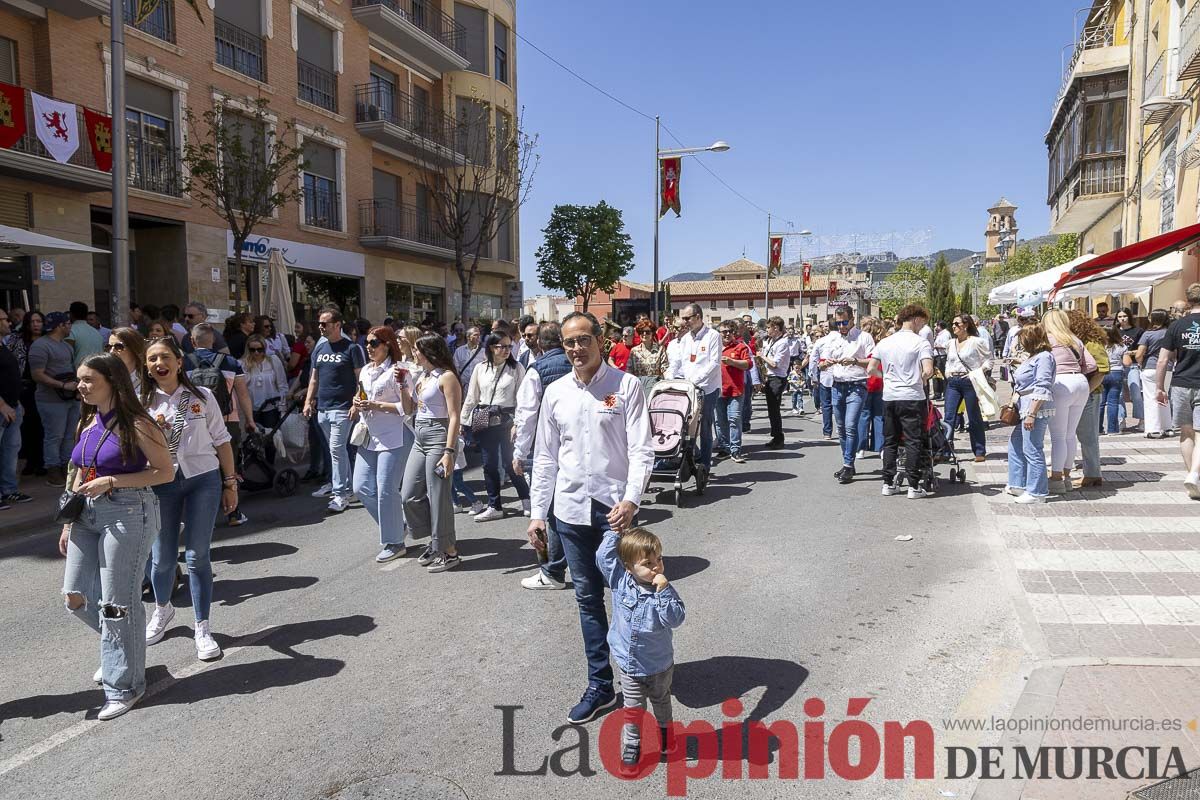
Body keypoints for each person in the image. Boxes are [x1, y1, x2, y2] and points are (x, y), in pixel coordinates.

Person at [527, 311, 654, 725]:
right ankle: (600, 685)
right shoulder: (556, 392)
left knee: (626, 598)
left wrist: (632, 501)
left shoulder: (626, 386)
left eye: (584, 340)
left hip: (615, 513)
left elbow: (641, 451)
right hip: (569, 511)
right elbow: (544, 457)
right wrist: (536, 514)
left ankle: (636, 677)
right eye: (569, 343)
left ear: (600, 340)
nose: (577, 348)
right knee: (587, 600)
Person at [60, 352, 173, 720]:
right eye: (79, 379)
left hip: (127, 511)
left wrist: (113, 480)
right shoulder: (88, 421)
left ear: (113, 382)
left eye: (89, 379)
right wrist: (67, 522)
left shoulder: (138, 423)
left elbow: (164, 472)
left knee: (116, 603)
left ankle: (125, 684)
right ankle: (123, 647)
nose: (81, 386)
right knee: (75, 596)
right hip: (86, 514)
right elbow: (79, 470)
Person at [141, 336, 238, 662]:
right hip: (162, 485)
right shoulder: (142, 403)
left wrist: (230, 484)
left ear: (179, 362)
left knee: (197, 558)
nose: (159, 364)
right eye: (152, 359)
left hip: (202, 481)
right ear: (147, 366)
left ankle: (202, 627)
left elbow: (222, 441)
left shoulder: (202, 396)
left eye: (165, 357)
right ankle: (162, 610)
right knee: (163, 559)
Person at [598, 527, 686, 771]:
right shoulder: (620, 581)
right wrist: (615, 532)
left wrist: (664, 591)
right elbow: (603, 556)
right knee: (633, 709)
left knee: (662, 702)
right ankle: (632, 744)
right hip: (629, 665)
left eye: (659, 559)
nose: (656, 567)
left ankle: (667, 736)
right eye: (648, 563)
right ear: (629, 567)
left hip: (658, 665)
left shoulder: (664, 591)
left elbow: (676, 619)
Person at [512, 322, 570, 590]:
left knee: (547, 511)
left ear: (541, 344)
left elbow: (526, 416)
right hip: (576, 447)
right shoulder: (579, 364)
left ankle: (552, 571)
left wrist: (519, 453)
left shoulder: (536, 370)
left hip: (545, 448)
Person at [400, 334, 463, 573]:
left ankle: (448, 551)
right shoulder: (423, 376)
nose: (413, 353)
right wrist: (403, 387)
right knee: (409, 495)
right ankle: (436, 541)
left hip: (439, 435)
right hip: (420, 436)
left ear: (428, 351)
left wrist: (449, 451)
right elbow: (408, 409)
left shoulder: (447, 377)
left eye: (416, 350)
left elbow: (454, 416)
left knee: (438, 496)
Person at [352, 326, 414, 562]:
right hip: (370, 436)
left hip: (395, 436)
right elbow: (361, 394)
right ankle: (398, 527)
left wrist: (376, 406)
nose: (368, 347)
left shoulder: (399, 372)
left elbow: (408, 408)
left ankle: (395, 542)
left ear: (387, 344)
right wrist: (356, 402)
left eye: (374, 342)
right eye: (366, 342)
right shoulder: (366, 371)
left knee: (386, 491)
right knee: (361, 488)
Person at [189, 323, 256, 525]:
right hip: (228, 420)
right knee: (229, 466)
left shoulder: (183, 362)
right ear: (214, 341)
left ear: (193, 341)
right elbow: (243, 394)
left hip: (195, 421)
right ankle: (233, 513)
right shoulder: (230, 362)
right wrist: (250, 420)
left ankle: (199, 515)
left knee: (198, 468)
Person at [304, 308, 366, 513]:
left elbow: (361, 380)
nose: (321, 327)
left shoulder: (352, 348)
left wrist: (356, 404)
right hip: (323, 407)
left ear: (338, 324)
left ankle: (339, 494)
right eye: (319, 323)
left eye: (325, 323)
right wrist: (308, 401)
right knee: (337, 451)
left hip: (343, 408)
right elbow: (314, 378)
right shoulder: (320, 349)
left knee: (336, 450)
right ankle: (348, 489)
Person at [462, 331, 529, 521]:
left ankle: (526, 499)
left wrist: (518, 422)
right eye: (502, 346)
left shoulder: (516, 368)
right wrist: (463, 421)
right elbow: (472, 397)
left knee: (511, 462)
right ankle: (494, 506)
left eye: (509, 346)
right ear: (492, 348)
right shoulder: (480, 368)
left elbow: (522, 399)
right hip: (485, 419)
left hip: (507, 420)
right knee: (489, 465)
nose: (507, 350)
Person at [870, 304, 934, 498]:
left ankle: (888, 482)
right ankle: (913, 485)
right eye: (923, 322)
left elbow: (871, 369)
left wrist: (888, 378)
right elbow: (928, 370)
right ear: (916, 319)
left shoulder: (885, 342)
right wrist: (920, 378)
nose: (923, 326)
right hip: (912, 396)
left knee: (890, 441)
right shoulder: (920, 342)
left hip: (890, 396)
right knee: (913, 441)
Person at [1043, 309, 1097, 495]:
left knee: (1058, 436)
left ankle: (1056, 478)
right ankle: (1066, 476)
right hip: (1080, 383)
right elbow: (1091, 366)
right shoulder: (1075, 340)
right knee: (1069, 434)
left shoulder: (1048, 340)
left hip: (1060, 383)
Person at [1154, 283, 1200, 499]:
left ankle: (1193, 478)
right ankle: (1194, 475)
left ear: (1188, 300)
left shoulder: (1177, 326)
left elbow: (1162, 360)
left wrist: (1159, 387)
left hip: (1180, 383)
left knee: (1186, 432)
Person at [822, 308, 874, 484]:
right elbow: (822, 362)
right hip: (837, 385)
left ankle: (848, 464)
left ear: (852, 320)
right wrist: (825, 364)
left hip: (857, 385)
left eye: (844, 322)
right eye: (838, 323)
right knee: (842, 427)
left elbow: (873, 361)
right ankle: (848, 463)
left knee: (851, 425)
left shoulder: (864, 337)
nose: (841, 326)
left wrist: (855, 361)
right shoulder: (833, 338)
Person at [29, 311, 80, 487]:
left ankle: (67, 468)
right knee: (54, 436)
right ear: (60, 326)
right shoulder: (40, 346)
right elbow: (37, 375)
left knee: (69, 436)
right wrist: (62, 385)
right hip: (50, 400)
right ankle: (53, 471)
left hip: (71, 399)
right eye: (68, 324)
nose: (70, 327)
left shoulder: (66, 346)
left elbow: (71, 368)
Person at [670, 303, 721, 477]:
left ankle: (705, 465)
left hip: (707, 389)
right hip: (688, 389)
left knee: (705, 427)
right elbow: (678, 364)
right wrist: (669, 379)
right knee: (686, 426)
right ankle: (692, 459)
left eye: (687, 318)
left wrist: (696, 381)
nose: (684, 322)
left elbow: (714, 364)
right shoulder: (685, 339)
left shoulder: (713, 336)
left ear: (698, 317)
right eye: (683, 318)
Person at [1007, 326, 1056, 503]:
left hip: (1035, 408)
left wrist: (1032, 414)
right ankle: (1018, 483)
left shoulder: (1044, 357)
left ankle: (1037, 492)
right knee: (1016, 443)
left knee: (1032, 448)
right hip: (1026, 405)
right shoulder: (1035, 357)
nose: (1021, 343)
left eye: (1023, 339)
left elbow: (1042, 385)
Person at [1068, 311, 1110, 489]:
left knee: (1088, 435)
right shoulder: (1079, 342)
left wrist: (1086, 391)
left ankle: (1093, 474)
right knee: (1079, 434)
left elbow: (1102, 370)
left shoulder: (1092, 344)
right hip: (1083, 393)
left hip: (1090, 394)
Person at [943, 314, 990, 463]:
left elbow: (988, 361)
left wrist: (976, 373)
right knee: (949, 416)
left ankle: (979, 450)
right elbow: (948, 361)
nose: (954, 326)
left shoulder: (977, 342)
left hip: (970, 381)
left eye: (957, 324)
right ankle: (945, 450)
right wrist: (947, 373)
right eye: (953, 324)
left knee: (974, 416)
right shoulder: (950, 343)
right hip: (953, 382)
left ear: (966, 325)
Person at [242, 333, 288, 464]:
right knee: (253, 439)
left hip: (270, 406)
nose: (256, 353)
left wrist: (283, 406)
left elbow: (282, 384)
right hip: (252, 408)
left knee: (270, 438)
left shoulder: (273, 361)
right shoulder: (243, 364)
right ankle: (255, 466)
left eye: (259, 349)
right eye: (252, 350)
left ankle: (270, 464)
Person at [0, 309, 29, 509]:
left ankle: (9, 490)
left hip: (12, 407)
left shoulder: (3, 345)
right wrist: (2, 405)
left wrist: (16, 404)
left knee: (11, 450)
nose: (9, 323)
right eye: (4, 319)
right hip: (3, 408)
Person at [11, 310, 44, 477]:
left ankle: (41, 462)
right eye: (32, 322)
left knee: (42, 427)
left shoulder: (48, 340)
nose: (36, 325)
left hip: (44, 388)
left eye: (38, 321)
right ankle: (30, 462)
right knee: (27, 427)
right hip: (24, 389)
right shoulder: (18, 340)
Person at [715, 321, 752, 463]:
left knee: (734, 419)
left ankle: (735, 450)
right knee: (720, 421)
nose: (727, 334)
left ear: (734, 332)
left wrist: (732, 362)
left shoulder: (741, 347)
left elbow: (748, 365)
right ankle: (725, 448)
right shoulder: (715, 348)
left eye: (729, 331)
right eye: (723, 331)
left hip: (736, 390)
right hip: (718, 389)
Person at [1138, 310, 1174, 439]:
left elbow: (1139, 354)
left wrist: (1140, 363)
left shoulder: (1147, 334)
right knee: (1164, 396)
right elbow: (1174, 353)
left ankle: (1153, 429)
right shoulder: (1170, 333)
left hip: (1150, 367)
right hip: (1167, 368)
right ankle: (1167, 427)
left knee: (1150, 398)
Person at [760, 316, 792, 449]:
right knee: (772, 409)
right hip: (770, 377)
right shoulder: (771, 341)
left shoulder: (782, 343)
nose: (767, 330)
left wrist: (762, 356)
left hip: (777, 378)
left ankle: (778, 437)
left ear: (776, 328)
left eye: (769, 327)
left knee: (774, 409)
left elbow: (775, 364)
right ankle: (775, 435)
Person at [857, 317, 887, 458]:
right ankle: (880, 447)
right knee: (879, 416)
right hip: (880, 380)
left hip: (865, 381)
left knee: (864, 415)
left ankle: (860, 448)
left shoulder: (861, 341)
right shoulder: (883, 343)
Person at [1115, 307, 1144, 432]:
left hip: (1133, 365)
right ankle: (1121, 420)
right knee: (1119, 394)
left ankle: (1142, 419)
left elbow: (1142, 348)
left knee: (1136, 392)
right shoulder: (1114, 331)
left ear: (1129, 317)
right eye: (1120, 316)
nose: (1122, 319)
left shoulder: (1138, 331)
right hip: (1118, 365)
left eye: (1124, 316)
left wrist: (1129, 352)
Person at [1100, 325, 1128, 436]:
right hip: (1116, 373)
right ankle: (1112, 429)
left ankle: (1098, 429)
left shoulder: (1099, 346)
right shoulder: (1122, 346)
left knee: (1101, 403)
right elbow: (1127, 362)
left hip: (1102, 373)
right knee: (1113, 403)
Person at [104, 327, 147, 394]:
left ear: (134, 349)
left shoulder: (149, 381)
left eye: (118, 347)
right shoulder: (106, 379)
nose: (111, 351)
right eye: (109, 347)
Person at [67, 301, 103, 369]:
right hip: (97, 370)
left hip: (79, 373)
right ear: (86, 315)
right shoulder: (96, 332)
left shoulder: (70, 331)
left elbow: (67, 356)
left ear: (71, 314)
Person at [932, 321, 951, 400]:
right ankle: (937, 393)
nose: (935, 328)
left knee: (942, 376)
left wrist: (937, 346)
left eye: (936, 326)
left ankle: (945, 394)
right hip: (937, 357)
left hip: (942, 357)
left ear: (940, 326)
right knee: (937, 376)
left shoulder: (945, 334)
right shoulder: (939, 334)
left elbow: (946, 345)